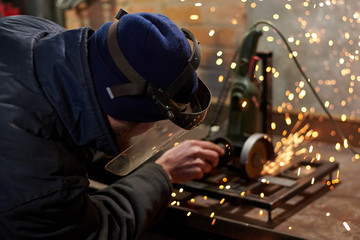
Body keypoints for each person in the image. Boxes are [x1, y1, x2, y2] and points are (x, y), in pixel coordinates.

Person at [0, 8, 224, 240]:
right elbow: (97, 232)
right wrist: (163, 173)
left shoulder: (36, 33)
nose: (150, 129)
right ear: (126, 111)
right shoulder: (40, 178)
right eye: (153, 123)